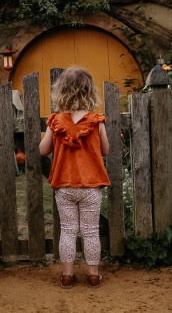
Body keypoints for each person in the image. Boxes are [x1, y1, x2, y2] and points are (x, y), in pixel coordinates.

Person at [39, 66, 111, 289]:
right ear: (89, 92)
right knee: (90, 231)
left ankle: (67, 275)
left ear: (62, 91)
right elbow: (106, 150)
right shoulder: (96, 121)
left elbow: (43, 150)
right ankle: (93, 275)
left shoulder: (55, 121)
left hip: (65, 185)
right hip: (90, 186)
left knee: (68, 230)